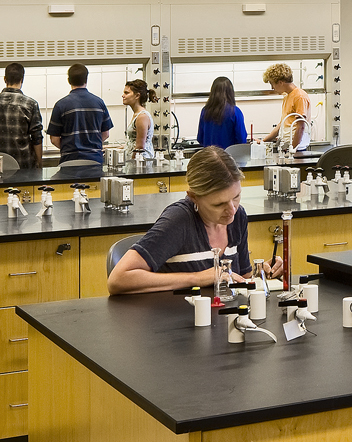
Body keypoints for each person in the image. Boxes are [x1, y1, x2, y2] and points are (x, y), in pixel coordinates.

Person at [106, 147, 252, 294]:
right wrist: (197, 278)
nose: (232, 210)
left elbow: (243, 278)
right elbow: (117, 280)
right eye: (219, 204)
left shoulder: (238, 217)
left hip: (220, 314)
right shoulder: (179, 221)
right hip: (177, 314)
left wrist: (265, 272)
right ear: (193, 197)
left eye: (236, 197)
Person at [46, 63, 112, 166]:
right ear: (86, 79)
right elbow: (106, 134)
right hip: (94, 160)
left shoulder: (60, 105)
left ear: (69, 80)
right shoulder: (99, 103)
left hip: (69, 161)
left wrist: (69, 148)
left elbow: (54, 139)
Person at [0, 61, 44, 169]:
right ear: (22, 80)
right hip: (23, 166)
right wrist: (39, 163)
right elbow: (37, 138)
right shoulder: (30, 104)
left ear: (5, 79)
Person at [260, 63, 310, 151]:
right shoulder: (287, 97)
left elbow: (300, 127)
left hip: (297, 148)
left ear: (280, 82)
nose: (272, 88)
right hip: (287, 146)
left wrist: (292, 150)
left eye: (272, 84)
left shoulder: (299, 96)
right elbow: (281, 125)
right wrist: (262, 141)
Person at [196, 76, 248, 149]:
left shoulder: (205, 111)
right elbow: (241, 140)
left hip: (209, 157)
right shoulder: (235, 112)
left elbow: (200, 139)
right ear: (230, 92)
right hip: (228, 157)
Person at [123, 79, 154, 154]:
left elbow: (139, 147)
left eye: (126, 93)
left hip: (141, 161)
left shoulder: (142, 117)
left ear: (137, 95)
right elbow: (132, 143)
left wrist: (132, 163)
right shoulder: (137, 115)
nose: (123, 95)